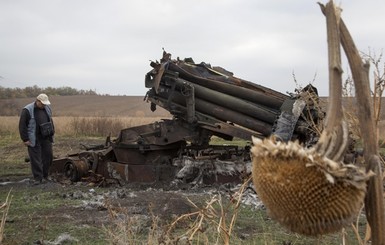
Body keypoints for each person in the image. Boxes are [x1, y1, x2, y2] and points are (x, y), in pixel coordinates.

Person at [19, 93, 55, 185]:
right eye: (42, 103)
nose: (44, 105)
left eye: (45, 104)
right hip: (33, 138)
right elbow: (22, 125)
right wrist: (25, 139)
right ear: (37, 101)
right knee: (36, 159)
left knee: (48, 156)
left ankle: (46, 176)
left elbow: (50, 120)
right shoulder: (27, 110)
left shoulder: (47, 108)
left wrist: (52, 132)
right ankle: (38, 178)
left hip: (46, 137)